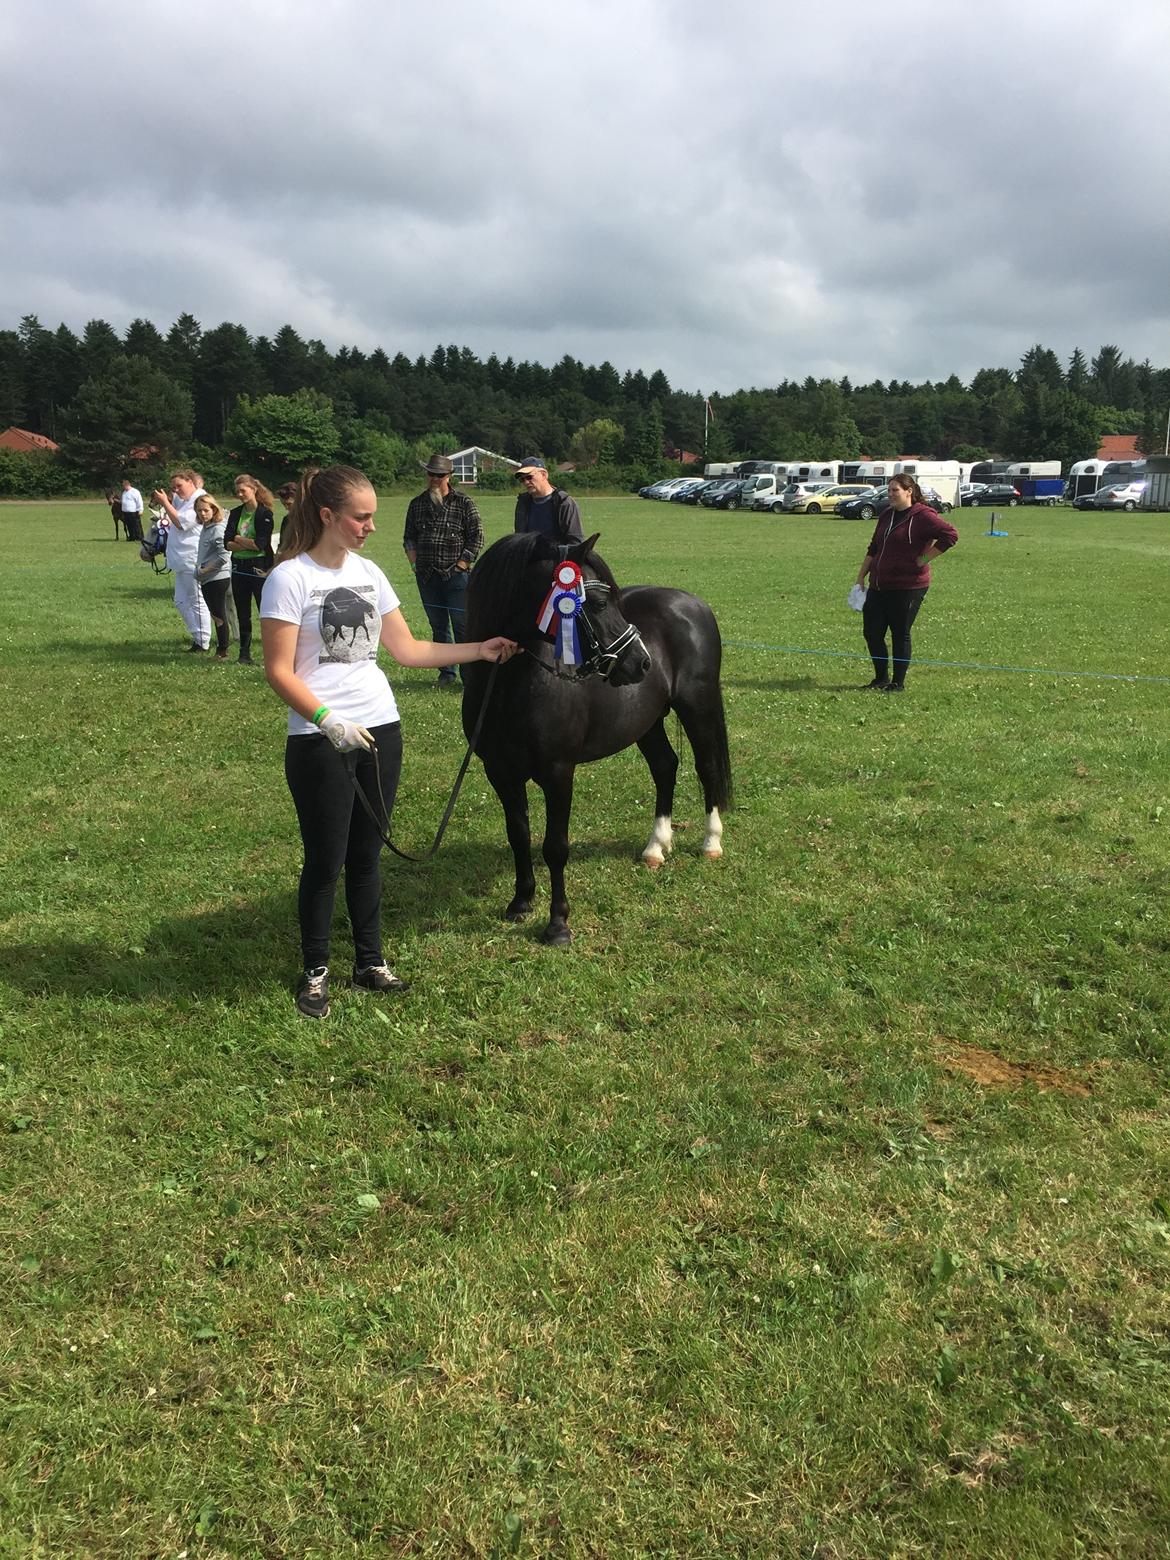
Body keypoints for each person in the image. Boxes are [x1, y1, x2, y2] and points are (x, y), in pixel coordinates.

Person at [259, 464, 517, 1019]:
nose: (371, 526)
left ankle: (370, 962)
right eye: (361, 516)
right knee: (326, 860)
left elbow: (408, 649)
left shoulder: (371, 573)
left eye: (373, 515)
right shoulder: (290, 579)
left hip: (381, 728)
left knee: (368, 854)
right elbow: (279, 671)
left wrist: (480, 649)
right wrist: (328, 720)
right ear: (328, 516)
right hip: (319, 739)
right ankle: (315, 971)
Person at [854, 474, 958, 693]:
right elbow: (874, 548)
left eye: (895, 490)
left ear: (909, 491)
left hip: (908, 586)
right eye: (889, 490)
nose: (890, 494)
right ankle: (880, 678)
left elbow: (950, 535)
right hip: (879, 585)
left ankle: (897, 683)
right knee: (872, 632)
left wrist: (924, 559)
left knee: (900, 632)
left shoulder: (923, 516)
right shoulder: (886, 515)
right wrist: (861, 575)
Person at [402, 453, 484, 687]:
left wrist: (462, 565)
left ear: (449, 476)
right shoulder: (416, 504)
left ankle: (469, 676)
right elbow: (409, 537)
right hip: (426, 577)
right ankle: (446, 673)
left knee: (462, 626)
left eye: (439, 475)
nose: (434, 478)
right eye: (431, 474)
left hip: (456, 577)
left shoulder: (464, 503)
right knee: (438, 627)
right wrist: (414, 563)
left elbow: (476, 537)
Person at [152, 469, 211, 651]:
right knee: (180, 601)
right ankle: (197, 636)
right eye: (173, 487)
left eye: (179, 486)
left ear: (191, 482)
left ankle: (203, 641)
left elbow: (181, 523)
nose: (176, 490)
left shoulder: (200, 501)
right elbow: (173, 504)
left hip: (193, 558)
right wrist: (165, 499)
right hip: (181, 559)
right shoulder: (185, 499)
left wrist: (164, 503)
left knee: (196, 600)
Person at [224, 474, 276, 665]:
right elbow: (226, 543)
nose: (239, 494)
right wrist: (243, 543)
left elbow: (260, 545)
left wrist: (238, 539)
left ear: (253, 489)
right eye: (237, 491)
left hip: (259, 569)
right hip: (239, 568)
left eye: (242, 491)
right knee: (242, 612)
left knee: (266, 612)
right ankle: (244, 654)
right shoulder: (236, 513)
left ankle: (271, 655)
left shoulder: (264, 514)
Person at [194, 495, 232, 660]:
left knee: (219, 616)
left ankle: (222, 651)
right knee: (216, 615)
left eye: (206, 510)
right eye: (199, 510)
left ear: (214, 509)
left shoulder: (217, 529)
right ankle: (221, 649)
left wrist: (205, 570)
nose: (202, 513)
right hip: (209, 579)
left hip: (217, 578)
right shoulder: (206, 527)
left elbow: (224, 555)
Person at [513, 455, 584, 543]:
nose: (526, 482)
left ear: (543, 475)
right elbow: (519, 538)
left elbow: (576, 543)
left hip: (558, 555)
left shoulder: (564, 503)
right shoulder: (523, 503)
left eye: (529, 477)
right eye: (522, 480)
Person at [273, 481, 297, 559]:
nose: (286, 508)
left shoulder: (311, 519)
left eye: (289, 504)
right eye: (284, 504)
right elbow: (282, 544)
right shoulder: (286, 520)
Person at [120, 479, 145, 543]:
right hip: (126, 512)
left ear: (127, 485)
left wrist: (141, 509)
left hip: (134, 512)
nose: (123, 487)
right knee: (129, 525)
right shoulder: (124, 492)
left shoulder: (135, 491)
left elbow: (139, 501)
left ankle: (140, 537)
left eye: (123, 486)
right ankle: (132, 537)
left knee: (136, 525)